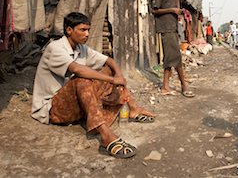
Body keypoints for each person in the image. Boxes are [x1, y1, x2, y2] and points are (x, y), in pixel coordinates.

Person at [31, 12, 155, 159]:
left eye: (88, 30)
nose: (87, 34)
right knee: (82, 79)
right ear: (69, 30)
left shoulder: (81, 48)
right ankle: (105, 135)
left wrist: (118, 75)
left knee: (109, 71)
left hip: (73, 104)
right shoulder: (55, 48)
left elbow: (109, 60)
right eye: (82, 30)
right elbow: (78, 70)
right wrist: (113, 81)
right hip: (53, 109)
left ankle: (133, 108)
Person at [152, 0, 195, 98]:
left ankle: (165, 86)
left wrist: (180, 11)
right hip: (166, 28)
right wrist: (172, 10)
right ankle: (183, 85)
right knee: (176, 57)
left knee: (170, 58)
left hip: (173, 28)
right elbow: (154, 11)